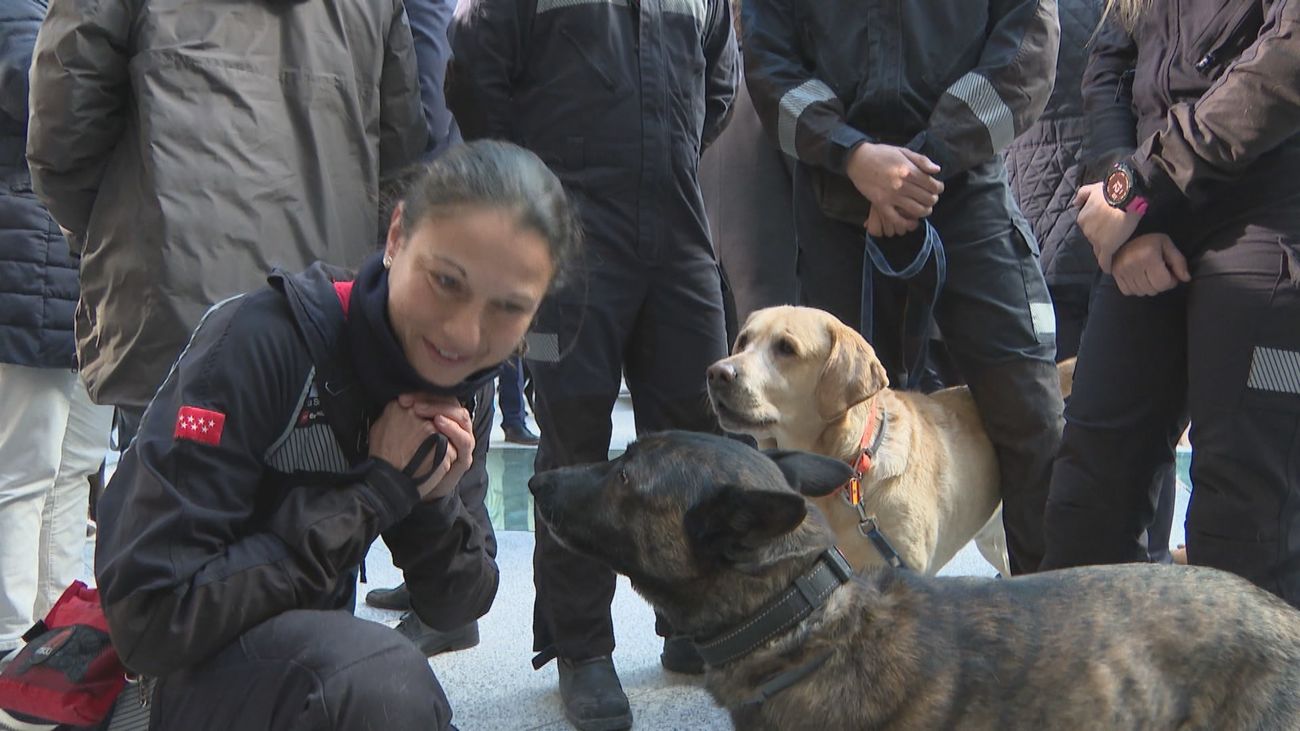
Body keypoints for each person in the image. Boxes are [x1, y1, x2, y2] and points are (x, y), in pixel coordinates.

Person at [92, 141, 582, 728]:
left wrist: (427, 499)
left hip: (303, 683)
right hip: (159, 693)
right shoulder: (261, 344)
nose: (464, 333)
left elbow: (456, 605)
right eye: (447, 281)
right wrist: (373, 492)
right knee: (380, 686)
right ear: (397, 236)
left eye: (508, 308)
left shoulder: (459, 386)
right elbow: (149, 623)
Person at [450, 1, 738, 728]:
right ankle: (581, 648)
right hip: (571, 241)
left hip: (677, 229)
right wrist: (535, 196)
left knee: (698, 437)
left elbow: (720, 90)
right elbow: (476, 75)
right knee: (573, 441)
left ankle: (689, 619)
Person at [742, 0, 1065, 575]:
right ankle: (818, 619)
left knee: (1030, 412)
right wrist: (853, 155)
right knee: (816, 425)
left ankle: (1049, 624)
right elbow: (770, 65)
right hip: (835, 198)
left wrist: (919, 169)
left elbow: (1026, 55)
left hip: (965, 190)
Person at [26, 0, 428, 446]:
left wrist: (113, 232)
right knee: (309, 504)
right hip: (321, 315)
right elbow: (401, 157)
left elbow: (61, 132)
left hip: (172, 306)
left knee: (172, 494)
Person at [1041, 0, 1300, 608]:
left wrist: (1137, 186)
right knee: (1085, 506)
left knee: (1248, 523)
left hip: (1271, 231)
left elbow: (1284, 67)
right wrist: (1126, 210)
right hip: (1148, 217)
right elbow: (1107, 68)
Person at [1003, 0, 1177, 566]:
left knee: (1104, 460)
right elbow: (1105, 85)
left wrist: (1134, 210)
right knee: (1101, 470)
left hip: (1108, 240)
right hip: (1088, 236)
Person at [0, 0, 114, 658]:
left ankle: (58, 627)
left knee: (75, 465)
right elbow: (37, 89)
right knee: (25, 468)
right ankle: (13, 639)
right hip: (34, 263)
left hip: (87, 274)